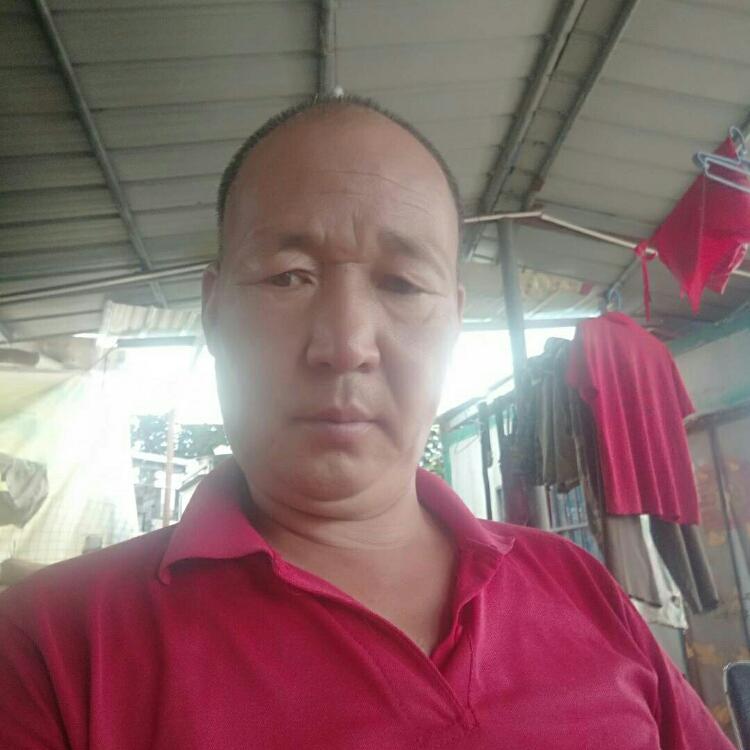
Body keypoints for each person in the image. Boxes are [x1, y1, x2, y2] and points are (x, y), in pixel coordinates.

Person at [0, 95, 732, 749]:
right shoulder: (51, 648)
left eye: (403, 284)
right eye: (289, 276)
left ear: (454, 319)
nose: (346, 346)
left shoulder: (579, 587)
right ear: (214, 311)